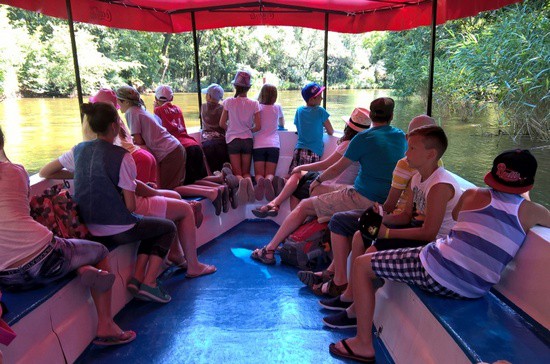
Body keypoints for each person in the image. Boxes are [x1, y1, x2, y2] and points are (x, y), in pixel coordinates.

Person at [328, 149, 550, 362]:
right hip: (475, 288)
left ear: (493, 175)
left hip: (438, 270)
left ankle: (362, 343)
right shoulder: (533, 211)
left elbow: (456, 214)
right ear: (527, 184)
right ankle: (360, 310)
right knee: (396, 256)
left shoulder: (473, 195)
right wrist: (523, 198)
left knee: (361, 265)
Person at [0, 126, 136, 346]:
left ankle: (83, 268)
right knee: (98, 250)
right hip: (44, 259)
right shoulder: (15, 171)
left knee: (63, 253)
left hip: (6, 279)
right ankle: (106, 324)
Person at [321, 125, 462, 321]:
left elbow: (429, 233)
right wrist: (378, 218)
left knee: (369, 255)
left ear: (430, 154)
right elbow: (405, 216)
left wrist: (387, 234)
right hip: (417, 232)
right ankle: (349, 295)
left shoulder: (439, 185)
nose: (406, 153)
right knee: (359, 235)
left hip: (436, 246)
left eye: (412, 148)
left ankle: (354, 313)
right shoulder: (417, 178)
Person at [40, 102, 177, 303]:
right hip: (117, 231)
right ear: (115, 126)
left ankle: (138, 279)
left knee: (150, 226)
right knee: (167, 228)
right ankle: (149, 282)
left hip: (88, 227)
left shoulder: (78, 150)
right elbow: (130, 206)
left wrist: (79, 172)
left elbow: (45, 172)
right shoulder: (123, 157)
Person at [251, 97, 406, 265]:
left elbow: (335, 168)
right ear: (391, 116)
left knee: (305, 205)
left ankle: (269, 249)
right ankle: (292, 238)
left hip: (362, 197)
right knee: (310, 197)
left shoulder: (362, 139)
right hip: (384, 201)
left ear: (373, 117)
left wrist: (318, 180)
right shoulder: (400, 137)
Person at [251, 107, 370, 217]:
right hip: (339, 182)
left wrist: (300, 167)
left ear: (348, 127)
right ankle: (274, 204)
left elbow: (326, 164)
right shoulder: (364, 145)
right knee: (299, 175)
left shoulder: (347, 144)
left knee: (296, 189)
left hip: (333, 183)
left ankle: (281, 212)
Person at [116, 85, 186, 190]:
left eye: (119, 101)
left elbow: (138, 140)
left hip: (169, 152)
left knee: (170, 189)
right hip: (175, 148)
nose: (117, 105)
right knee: (175, 187)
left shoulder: (131, 112)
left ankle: (195, 201)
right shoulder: (139, 109)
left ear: (126, 102)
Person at [83, 88, 158, 184]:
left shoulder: (92, 121)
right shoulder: (115, 118)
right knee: (150, 191)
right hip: (141, 155)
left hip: (134, 158)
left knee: (139, 196)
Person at [219, 70, 261, 205]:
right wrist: (248, 130)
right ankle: (248, 185)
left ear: (235, 86)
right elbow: (258, 126)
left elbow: (221, 123)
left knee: (237, 172)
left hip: (233, 140)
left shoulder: (228, 102)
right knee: (246, 172)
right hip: (247, 139)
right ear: (249, 88)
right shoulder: (254, 103)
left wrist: (231, 130)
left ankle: (241, 183)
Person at [154, 85, 208, 185]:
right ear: (172, 98)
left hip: (182, 148)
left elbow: (156, 130)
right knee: (202, 179)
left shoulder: (158, 111)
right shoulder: (178, 109)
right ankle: (221, 181)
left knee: (190, 184)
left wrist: (155, 109)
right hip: (194, 145)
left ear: (156, 98)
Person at [287, 82, 334, 174]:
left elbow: (299, 127)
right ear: (312, 99)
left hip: (299, 149)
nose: (322, 98)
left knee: (295, 175)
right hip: (313, 152)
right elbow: (331, 131)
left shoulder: (299, 110)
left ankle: (284, 181)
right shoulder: (320, 111)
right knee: (308, 179)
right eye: (320, 96)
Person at [253, 83, 285, 201]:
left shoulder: (257, 107)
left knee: (258, 174)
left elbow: (253, 124)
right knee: (270, 173)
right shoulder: (277, 107)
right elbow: (282, 124)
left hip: (258, 145)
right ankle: (268, 181)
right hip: (273, 145)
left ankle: (260, 181)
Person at [200, 83, 229, 173]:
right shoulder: (223, 109)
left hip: (207, 143)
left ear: (209, 96)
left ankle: (218, 184)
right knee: (225, 169)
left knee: (214, 171)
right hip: (221, 142)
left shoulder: (203, 106)